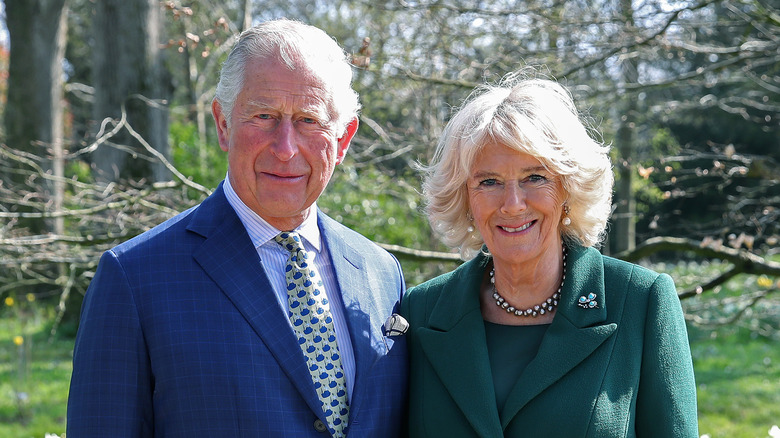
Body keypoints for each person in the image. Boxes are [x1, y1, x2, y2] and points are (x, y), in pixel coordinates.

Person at [67, 19, 408, 437]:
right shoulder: (135, 279)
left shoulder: (381, 274)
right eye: (263, 116)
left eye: (308, 120)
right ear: (223, 124)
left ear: (342, 139)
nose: (285, 148)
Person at [402, 72, 698, 437]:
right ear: (464, 197)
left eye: (535, 177)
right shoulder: (420, 312)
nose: (512, 205)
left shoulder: (640, 302)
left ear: (568, 189)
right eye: (489, 181)